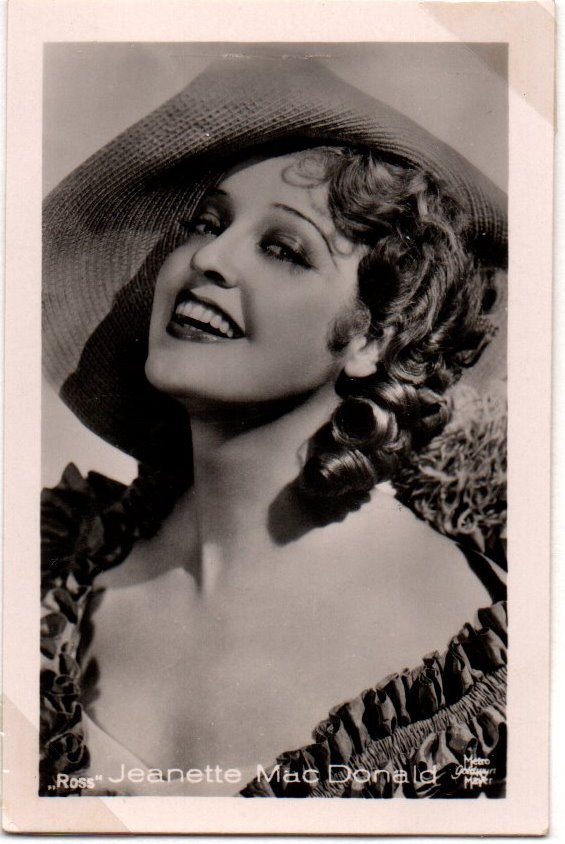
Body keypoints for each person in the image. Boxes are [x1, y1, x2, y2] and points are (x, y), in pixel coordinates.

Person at [40, 57, 507, 798]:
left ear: (376, 336)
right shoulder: (52, 569)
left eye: (283, 249)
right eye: (207, 223)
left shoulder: (471, 654)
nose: (207, 259)